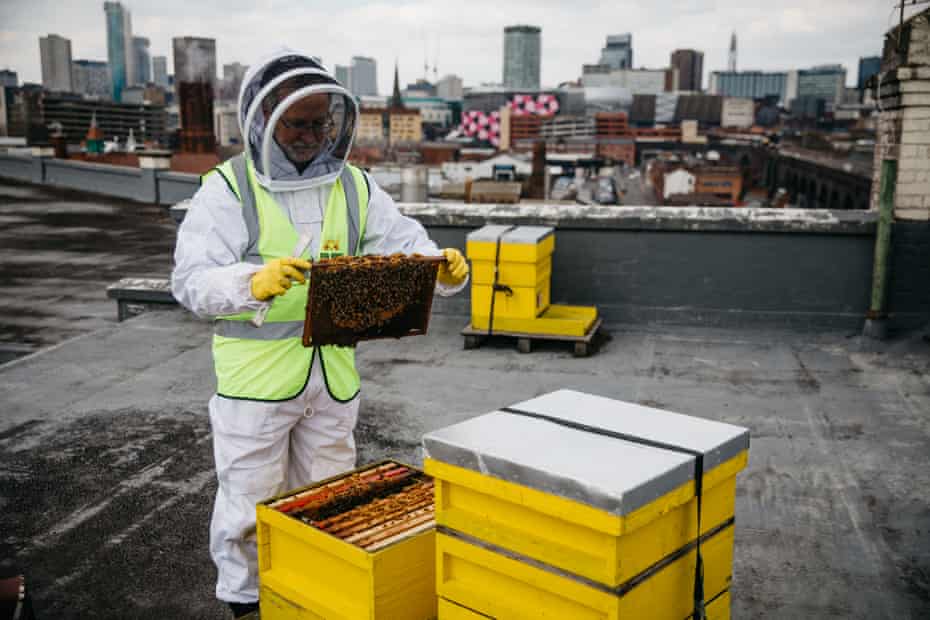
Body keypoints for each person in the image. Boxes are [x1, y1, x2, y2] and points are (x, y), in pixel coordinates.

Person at [171, 49, 468, 618]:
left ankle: (313, 597)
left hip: (332, 380)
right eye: (297, 123)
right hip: (255, 385)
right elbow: (190, 281)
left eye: (319, 123)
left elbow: (403, 243)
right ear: (264, 121)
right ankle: (246, 603)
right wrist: (250, 282)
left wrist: (444, 270)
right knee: (248, 504)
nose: (310, 134)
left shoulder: (355, 186)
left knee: (329, 499)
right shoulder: (228, 188)